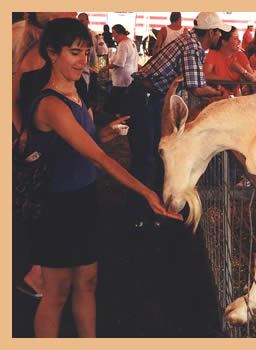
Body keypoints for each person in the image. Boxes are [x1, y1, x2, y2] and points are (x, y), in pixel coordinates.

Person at [28, 18, 181, 338]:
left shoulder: (77, 91)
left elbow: (83, 144)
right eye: (74, 53)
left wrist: (102, 134)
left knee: (87, 283)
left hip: (84, 198)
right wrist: (147, 193)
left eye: (85, 53)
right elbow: (96, 157)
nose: (83, 60)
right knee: (56, 293)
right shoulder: (50, 103)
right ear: (52, 54)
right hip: (58, 206)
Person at [126, 12, 231, 228]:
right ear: (211, 32)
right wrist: (219, 94)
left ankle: (152, 211)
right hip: (146, 97)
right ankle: (137, 214)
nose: (221, 36)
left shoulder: (190, 42)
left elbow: (195, 82)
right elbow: (196, 87)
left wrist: (213, 91)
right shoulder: (192, 46)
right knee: (146, 156)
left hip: (151, 96)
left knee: (155, 154)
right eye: (219, 32)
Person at [12, 12, 79, 299]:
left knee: (49, 206)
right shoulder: (37, 54)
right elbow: (13, 98)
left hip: (46, 139)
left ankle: (40, 273)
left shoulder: (36, 50)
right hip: (43, 141)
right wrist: (23, 134)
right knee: (49, 206)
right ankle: (37, 275)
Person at [204, 26, 256, 96]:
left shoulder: (240, 55)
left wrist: (241, 70)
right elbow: (206, 75)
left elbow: (253, 78)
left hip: (235, 97)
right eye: (235, 38)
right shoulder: (214, 53)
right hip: (217, 96)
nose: (239, 41)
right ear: (224, 42)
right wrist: (227, 80)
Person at [99, 24, 139, 117]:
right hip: (129, 77)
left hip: (122, 79)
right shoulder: (130, 42)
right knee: (124, 103)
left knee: (117, 105)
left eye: (113, 33)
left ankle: (117, 121)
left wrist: (105, 68)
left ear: (119, 33)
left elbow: (119, 63)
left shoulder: (123, 44)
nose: (112, 35)